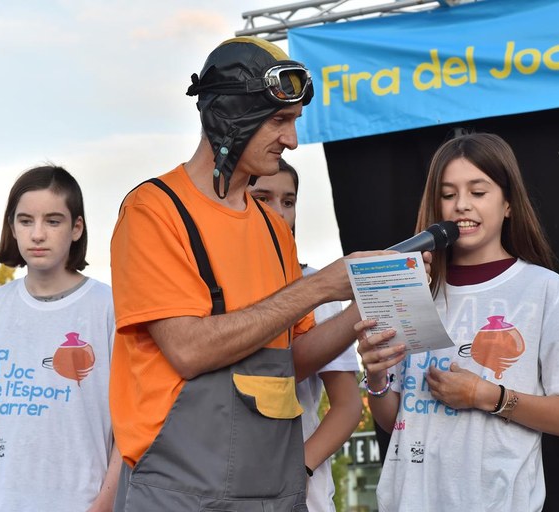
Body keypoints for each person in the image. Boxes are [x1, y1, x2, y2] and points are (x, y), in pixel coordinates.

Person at [109, 37, 391, 511]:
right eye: (279, 121)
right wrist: (319, 287)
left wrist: (363, 297)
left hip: (274, 491)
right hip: (178, 493)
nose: (292, 140)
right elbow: (188, 350)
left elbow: (290, 362)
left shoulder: (273, 230)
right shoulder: (153, 212)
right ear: (228, 115)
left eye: (294, 122)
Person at [355, 132, 559, 511]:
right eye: (448, 194)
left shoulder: (543, 289)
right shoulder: (410, 289)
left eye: (478, 192)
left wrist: (486, 396)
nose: (462, 205)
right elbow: (398, 423)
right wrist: (376, 378)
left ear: (508, 203)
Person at [0, 165, 121, 511]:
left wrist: (105, 503)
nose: (37, 234)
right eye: (25, 221)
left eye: (52, 221)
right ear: (12, 227)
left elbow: (132, 422)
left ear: (76, 228)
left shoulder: (110, 308)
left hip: (80, 502)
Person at [248, 158, 362, 511]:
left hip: (301, 497)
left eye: (288, 201)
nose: (279, 212)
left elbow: (347, 405)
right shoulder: (207, 286)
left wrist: (298, 469)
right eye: (263, 198)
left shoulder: (318, 286)